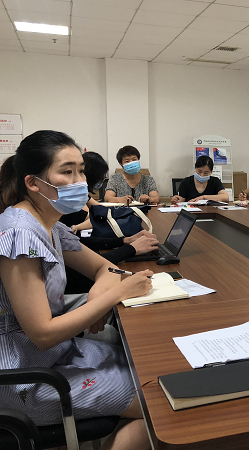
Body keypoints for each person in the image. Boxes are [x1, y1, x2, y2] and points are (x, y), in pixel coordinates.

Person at [0, 130, 151, 449]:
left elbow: (105, 268)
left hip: (57, 354)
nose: (80, 181)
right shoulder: (19, 234)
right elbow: (42, 334)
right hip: (26, 376)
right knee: (161, 402)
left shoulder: (49, 224)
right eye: (67, 172)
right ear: (33, 183)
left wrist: (97, 298)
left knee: (151, 366)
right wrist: (115, 295)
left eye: (81, 170)